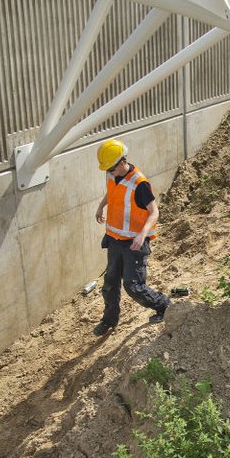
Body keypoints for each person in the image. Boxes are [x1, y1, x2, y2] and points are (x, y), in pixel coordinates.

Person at [93, 138, 169, 335]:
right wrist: (102, 206)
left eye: (111, 168)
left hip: (133, 244)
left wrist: (142, 235)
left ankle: (164, 305)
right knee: (109, 284)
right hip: (114, 239)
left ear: (121, 162)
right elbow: (113, 192)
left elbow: (154, 212)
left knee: (133, 286)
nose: (108, 172)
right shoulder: (112, 175)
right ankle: (109, 320)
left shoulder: (139, 183)